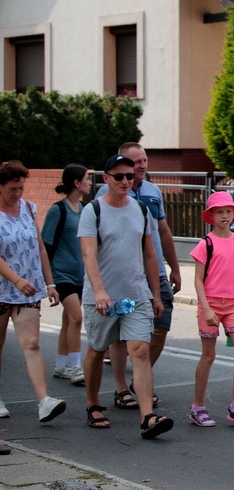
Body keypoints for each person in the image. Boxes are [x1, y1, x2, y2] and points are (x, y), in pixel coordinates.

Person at [79, 154, 172, 438]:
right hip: (103, 297)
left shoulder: (141, 209)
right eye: (118, 176)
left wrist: (155, 293)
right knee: (97, 351)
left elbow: (149, 253)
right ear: (105, 178)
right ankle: (93, 404)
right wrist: (99, 291)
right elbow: (88, 254)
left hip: (136, 294)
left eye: (129, 176)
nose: (125, 181)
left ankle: (148, 417)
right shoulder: (93, 211)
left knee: (140, 352)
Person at [96, 142, 181, 410]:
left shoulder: (153, 191)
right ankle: (122, 388)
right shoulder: (104, 194)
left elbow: (164, 231)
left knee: (162, 321)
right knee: (119, 333)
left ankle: (139, 379)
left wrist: (175, 266)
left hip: (153, 271)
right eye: (136, 163)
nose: (142, 166)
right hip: (122, 273)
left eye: (144, 160)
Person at [0, 160, 67, 422]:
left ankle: (44, 401)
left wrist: (49, 284)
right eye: (13, 188)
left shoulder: (28, 207)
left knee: (32, 344)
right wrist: (16, 280)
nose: (18, 193)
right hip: (6, 286)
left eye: (21, 188)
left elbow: (39, 248)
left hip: (28, 289)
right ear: (1, 186)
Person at [189, 191, 234, 428]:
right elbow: (197, 280)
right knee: (208, 355)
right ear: (211, 216)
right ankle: (197, 407)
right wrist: (206, 308)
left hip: (233, 304)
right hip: (211, 304)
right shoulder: (205, 243)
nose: (225, 215)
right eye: (220, 211)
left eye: (229, 211)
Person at [41, 164, 92, 387]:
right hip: (61, 275)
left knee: (68, 320)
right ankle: (75, 367)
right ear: (76, 183)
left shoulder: (83, 208)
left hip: (79, 274)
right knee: (76, 317)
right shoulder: (57, 210)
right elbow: (46, 245)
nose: (90, 182)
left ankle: (61, 365)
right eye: (87, 179)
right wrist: (48, 281)